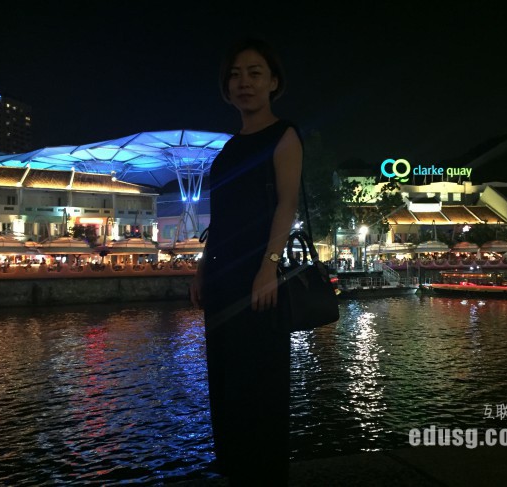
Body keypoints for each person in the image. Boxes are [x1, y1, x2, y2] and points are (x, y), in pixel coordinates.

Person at [190, 38, 302, 486]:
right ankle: (234, 471)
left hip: (258, 277)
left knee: (260, 380)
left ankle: (265, 475)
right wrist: (202, 266)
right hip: (222, 275)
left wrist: (269, 267)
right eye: (235, 74)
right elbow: (221, 217)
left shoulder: (283, 135)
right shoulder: (229, 147)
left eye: (255, 73)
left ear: (273, 82)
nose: (244, 82)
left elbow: (287, 205)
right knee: (225, 379)